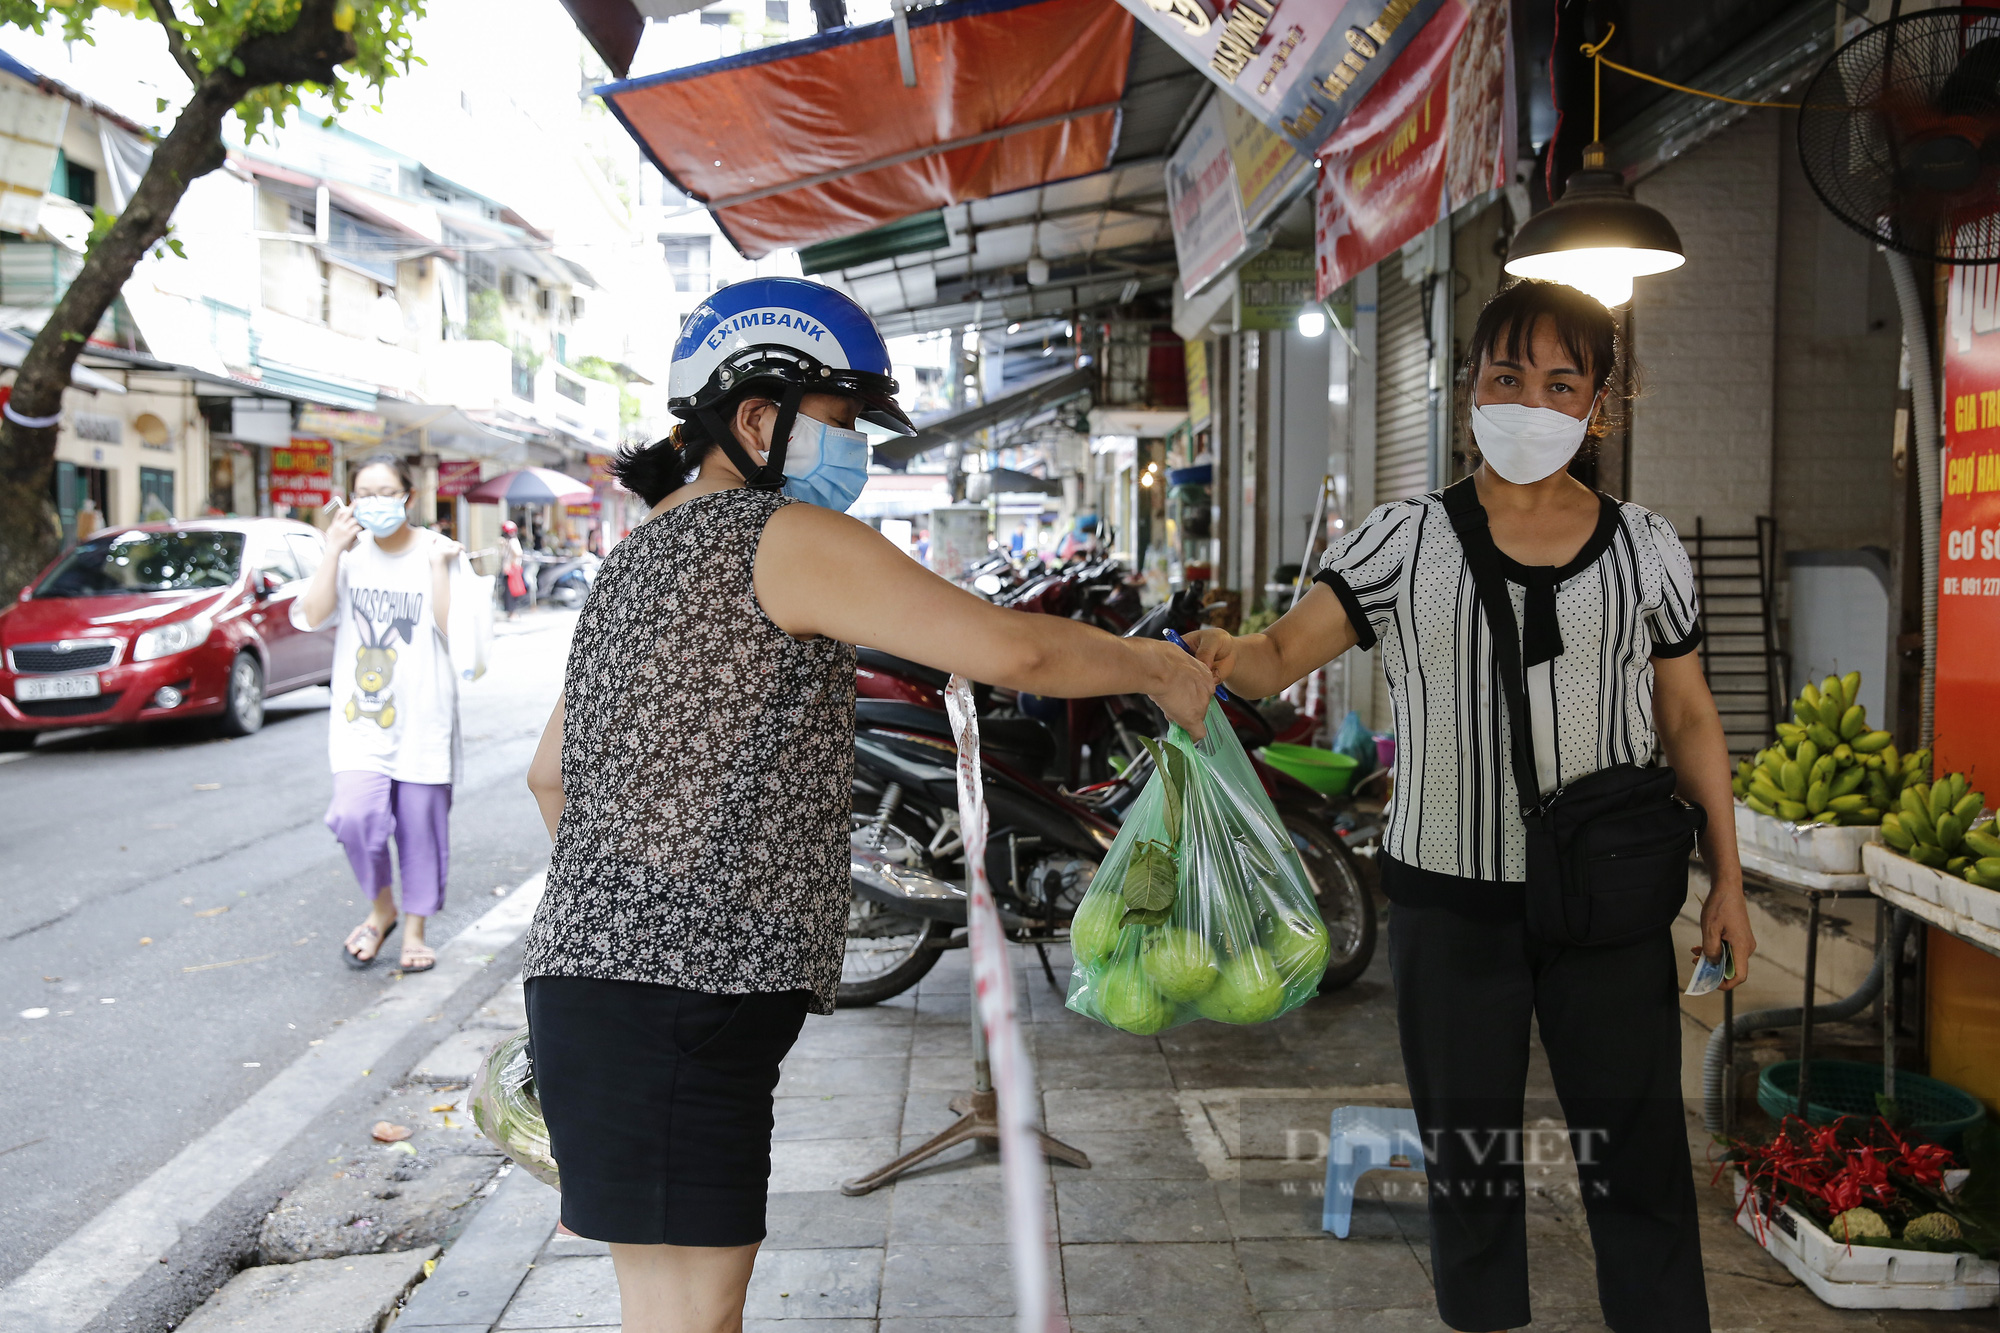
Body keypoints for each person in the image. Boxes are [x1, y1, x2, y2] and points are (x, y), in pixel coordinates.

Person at [520, 277, 1214, 1333]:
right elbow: (1011, 646)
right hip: (681, 998)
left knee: (667, 1309)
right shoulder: (774, 536)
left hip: (601, 990)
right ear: (755, 418)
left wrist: (624, 917)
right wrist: (1156, 669)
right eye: (841, 423)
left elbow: (550, 775)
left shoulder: (638, 553)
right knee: (691, 1314)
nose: (857, 453)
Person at [1185, 279, 1755, 1333]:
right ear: (1466, 393)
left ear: (1599, 405)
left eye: (1558, 382)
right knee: (1469, 1163)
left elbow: (1687, 722)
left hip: (1609, 903)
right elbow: (1270, 659)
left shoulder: (1647, 549)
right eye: (1506, 377)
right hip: (1450, 907)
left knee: (1636, 1153)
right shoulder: (1399, 541)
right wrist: (1211, 656)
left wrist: (1725, 877)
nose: (1528, 403)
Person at [296, 456, 464, 974]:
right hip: (359, 724)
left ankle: (414, 929)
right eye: (364, 493)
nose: (375, 502)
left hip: (424, 716)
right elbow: (313, 615)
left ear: (408, 497)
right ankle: (382, 908)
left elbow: (451, 626)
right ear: (349, 499)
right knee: (354, 817)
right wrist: (331, 552)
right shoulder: (347, 557)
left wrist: (440, 568)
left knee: (421, 826)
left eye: (385, 491)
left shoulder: (437, 551)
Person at [500, 519, 528, 620]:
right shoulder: (510, 541)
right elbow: (517, 553)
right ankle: (511, 612)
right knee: (510, 592)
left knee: (510, 592)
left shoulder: (509, 541)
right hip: (511, 570)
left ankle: (511, 612)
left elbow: (516, 553)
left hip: (510, 569)